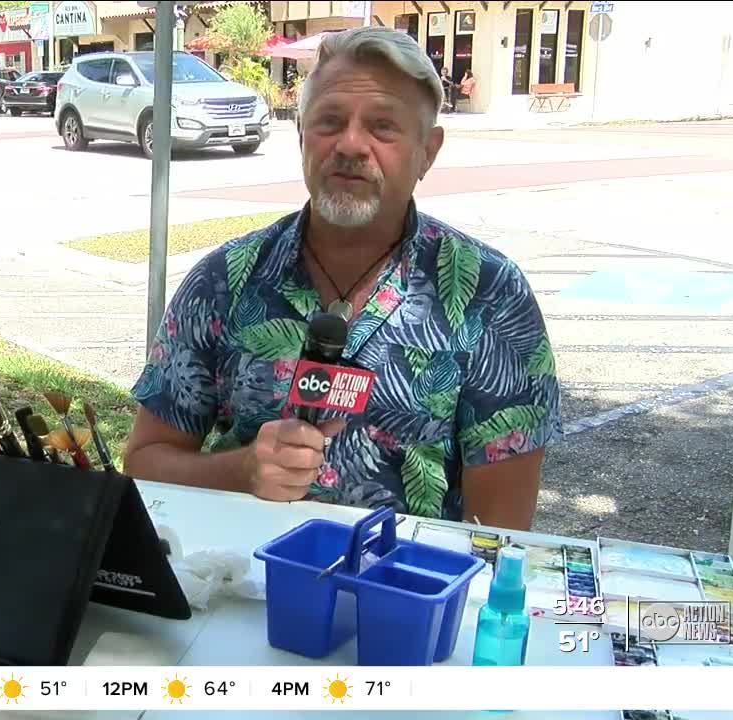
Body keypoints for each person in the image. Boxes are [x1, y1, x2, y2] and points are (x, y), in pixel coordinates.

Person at [122, 27, 561, 530]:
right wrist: (241, 470)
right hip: (244, 590)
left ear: (427, 152)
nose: (351, 144)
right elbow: (144, 465)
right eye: (330, 121)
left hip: (409, 600)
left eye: (383, 127)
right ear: (303, 136)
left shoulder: (489, 293)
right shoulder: (223, 281)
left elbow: (501, 533)